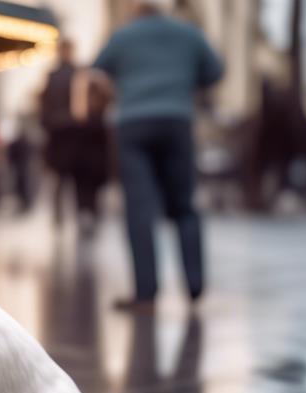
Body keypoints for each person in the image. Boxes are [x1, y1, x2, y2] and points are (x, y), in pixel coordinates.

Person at [93, 0, 223, 311]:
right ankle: (194, 288)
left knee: (140, 209)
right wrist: (185, 81)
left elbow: (96, 73)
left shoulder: (123, 36)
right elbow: (216, 71)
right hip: (177, 121)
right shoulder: (189, 34)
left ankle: (146, 294)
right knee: (184, 206)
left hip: (133, 125)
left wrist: (121, 88)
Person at [41, 39, 107, 231]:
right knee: (76, 177)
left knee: (64, 176)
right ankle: (77, 213)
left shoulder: (59, 76)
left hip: (64, 132)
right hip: (73, 132)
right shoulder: (78, 74)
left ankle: (64, 214)